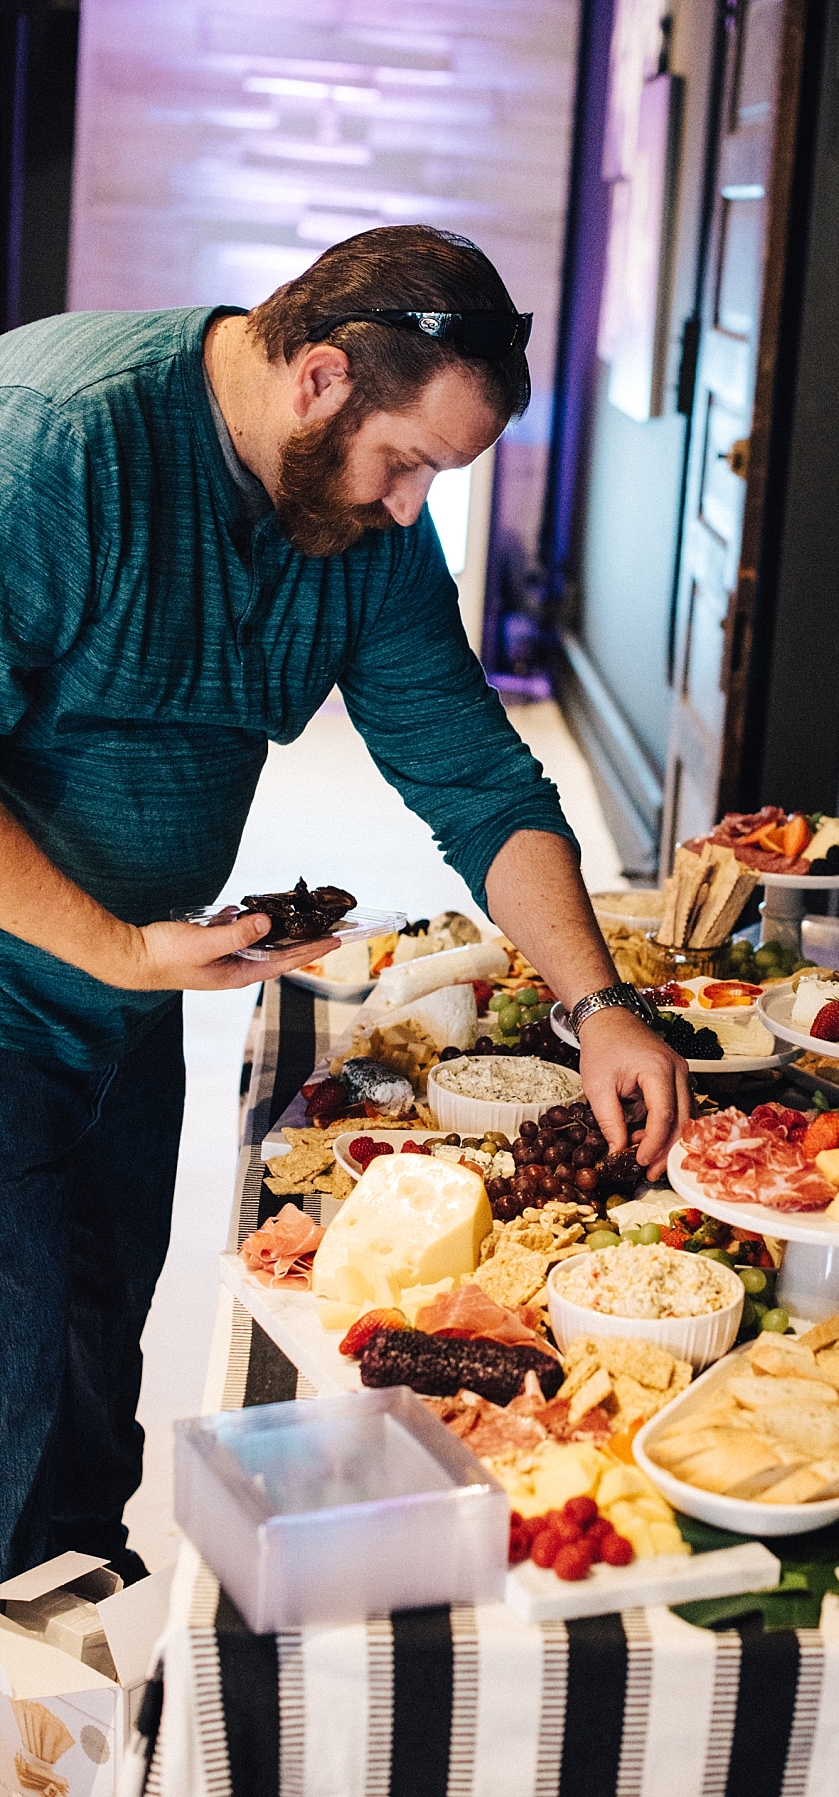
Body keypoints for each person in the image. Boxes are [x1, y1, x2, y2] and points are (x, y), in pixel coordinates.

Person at [0, 225, 690, 1581]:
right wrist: (123, 945)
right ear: (318, 378)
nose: (410, 507)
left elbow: (480, 776)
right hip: (34, 982)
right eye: (411, 461)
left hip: (128, 1014)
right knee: (9, 1393)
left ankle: (69, 1683)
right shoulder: (58, 442)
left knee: (91, 1372)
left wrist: (599, 1004)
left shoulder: (354, 525)